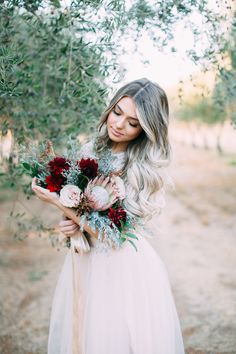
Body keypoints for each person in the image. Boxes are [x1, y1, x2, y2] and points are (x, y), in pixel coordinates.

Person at [32, 78, 185, 354]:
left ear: (146, 129)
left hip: (122, 267)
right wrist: (71, 224)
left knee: (112, 336)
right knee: (85, 332)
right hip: (86, 259)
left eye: (133, 123)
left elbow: (112, 236)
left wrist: (58, 202)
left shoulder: (139, 168)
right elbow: (84, 216)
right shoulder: (91, 151)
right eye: (117, 112)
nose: (118, 124)